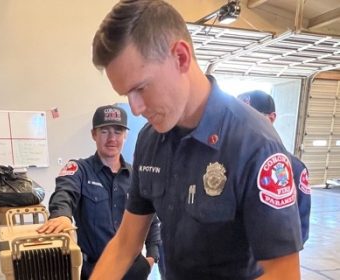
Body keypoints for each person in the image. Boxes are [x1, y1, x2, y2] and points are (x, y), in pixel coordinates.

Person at [90, 0, 303, 279]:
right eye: (126, 95)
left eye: (141, 88)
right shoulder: (150, 140)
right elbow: (125, 243)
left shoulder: (254, 144)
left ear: (180, 57)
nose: (136, 108)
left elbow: (284, 273)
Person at [37, 105, 161, 279]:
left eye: (118, 132)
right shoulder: (79, 170)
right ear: (93, 134)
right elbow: (65, 193)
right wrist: (62, 215)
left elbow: (152, 220)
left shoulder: (136, 176)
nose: (112, 138)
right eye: (104, 131)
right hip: (93, 270)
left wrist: (151, 257)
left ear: (125, 135)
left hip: (133, 270)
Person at [238, 90, 311, 243]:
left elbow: (298, 231)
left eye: (251, 117)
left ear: (271, 118)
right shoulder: (223, 163)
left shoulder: (293, 168)